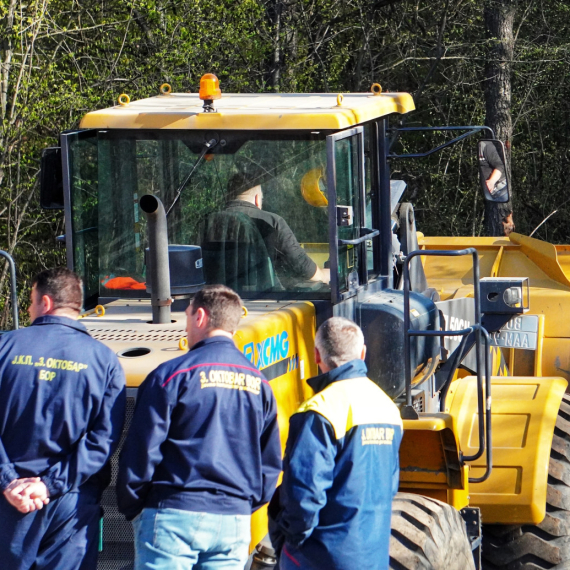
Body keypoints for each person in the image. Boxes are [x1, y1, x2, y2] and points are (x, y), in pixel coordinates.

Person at [117, 284, 282, 569]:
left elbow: (141, 451)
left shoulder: (170, 377)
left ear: (201, 317)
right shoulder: (260, 385)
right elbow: (269, 463)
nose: (185, 328)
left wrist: (135, 508)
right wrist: (242, 505)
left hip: (173, 514)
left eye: (187, 316)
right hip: (233, 522)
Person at [0, 267, 126, 570]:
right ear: (77, 305)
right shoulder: (106, 362)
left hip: (7, 503)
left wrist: (8, 480)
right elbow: (103, 440)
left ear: (44, 302)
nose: (29, 310)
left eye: (29, 302)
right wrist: (49, 485)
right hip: (71, 503)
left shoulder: (4, 348)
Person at [269, 317, 403, 570]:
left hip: (319, 557)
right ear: (362, 353)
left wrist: (290, 544)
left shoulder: (319, 410)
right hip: (372, 557)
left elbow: (304, 494)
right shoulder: (387, 408)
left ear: (316, 355)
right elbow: (390, 486)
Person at [225, 173, 330, 286]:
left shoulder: (207, 222)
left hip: (218, 296)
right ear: (257, 199)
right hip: (268, 297)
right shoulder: (272, 222)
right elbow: (302, 266)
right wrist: (324, 275)